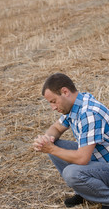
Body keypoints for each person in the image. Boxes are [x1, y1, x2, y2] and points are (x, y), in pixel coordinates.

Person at [33, 72, 109, 209]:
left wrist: (51, 148)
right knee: (54, 144)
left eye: (53, 101)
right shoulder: (76, 104)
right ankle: (85, 192)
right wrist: (46, 140)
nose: (53, 107)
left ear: (65, 92)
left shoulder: (89, 113)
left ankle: (106, 199)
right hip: (100, 159)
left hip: (105, 164)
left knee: (71, 173)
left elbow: (82, 159)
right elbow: (56, 128)